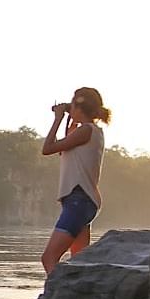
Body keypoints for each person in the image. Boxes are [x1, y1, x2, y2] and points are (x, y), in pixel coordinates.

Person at [40, 86, 112, 273]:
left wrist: (57, 119)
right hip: (84, 201)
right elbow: (64, 151)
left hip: (78, 201)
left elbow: (48, 148)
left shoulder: (86, 130)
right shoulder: (91, 132)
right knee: (79, 262)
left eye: (72, 106)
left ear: (79, 108)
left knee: (49, 258)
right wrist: (68, 124)